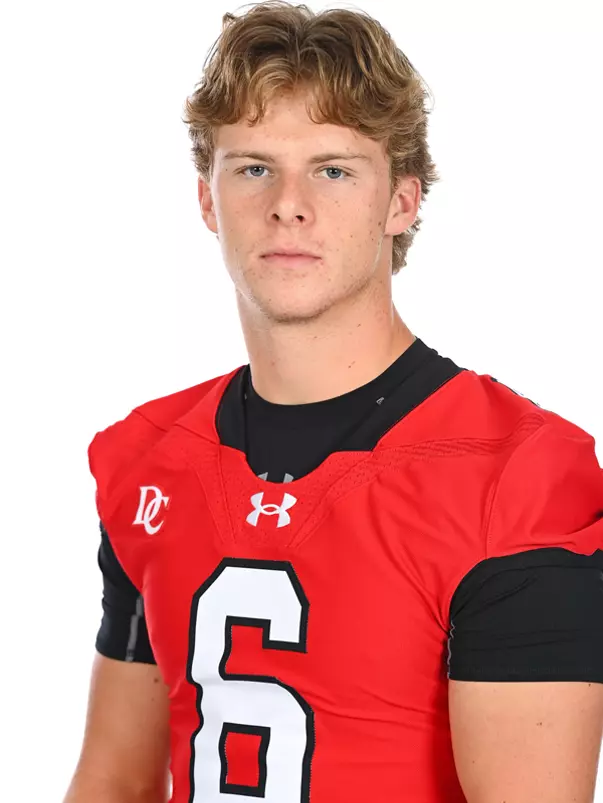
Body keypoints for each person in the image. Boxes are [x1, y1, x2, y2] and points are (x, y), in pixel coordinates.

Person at [64, 2, 603, 802]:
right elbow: (112, 781)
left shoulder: (516, 474)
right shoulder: (146, 458)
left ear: (402, 203)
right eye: (252, 167)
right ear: (207, 201)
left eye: (332, 168)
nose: (289, 203)